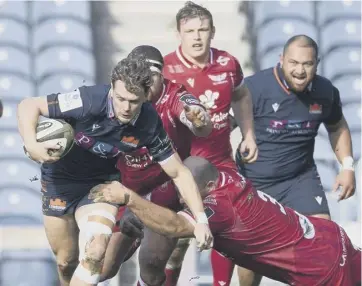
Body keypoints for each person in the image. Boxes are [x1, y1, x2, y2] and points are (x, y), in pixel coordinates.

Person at [17, 55, 212, 286]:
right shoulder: (88, 100)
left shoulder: (149, 122)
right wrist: (31, 143)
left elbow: (179, 172)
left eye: (134, 101)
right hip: (59, 182)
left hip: (100, 186)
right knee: (66, 262)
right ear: (111, 89)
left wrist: (201, 220)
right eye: (120, 99)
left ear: (145, 96)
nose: (126, 108)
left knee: (96, 250)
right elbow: (29, 105)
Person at [90, 156, 361, 286]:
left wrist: (131, 199)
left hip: (324, 272)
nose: (184, 200)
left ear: (207, 185)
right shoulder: (227, 178)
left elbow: (173, 226)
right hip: (329, 236)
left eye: (189, 194)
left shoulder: (219, 208)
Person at [234, 34, 356, 286]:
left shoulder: (324, 91)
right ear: (281, 60)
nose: (300, 70)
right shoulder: (254, 88)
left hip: (299, 178)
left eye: (307, 64)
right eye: (293, 63)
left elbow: (337, 126)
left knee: (325, 242)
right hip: (255, 181)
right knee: (248, 262)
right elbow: (222, 127)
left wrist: (347, 166)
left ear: (317, 63)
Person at [161, 2, 258, 285]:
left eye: (203, 29)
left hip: (220, 163)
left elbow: (241, 96)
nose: (197, 36)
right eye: (189, 31)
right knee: (175, 244)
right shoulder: (167, 68)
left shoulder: (228, 63)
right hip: (179, 166)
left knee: (230, 229)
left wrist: (248, 134)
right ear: (179, 34)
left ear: (212, 31)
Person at [99, 45, 213, 284]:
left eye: (151, 77)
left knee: (151, 265)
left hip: (164, 191)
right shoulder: (120, 100)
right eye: (138, 79)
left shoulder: (174, 95)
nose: (145, 84)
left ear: (162, 75)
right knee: (102, 268)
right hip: (126, 190)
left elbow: (194, 116)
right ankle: (133, 233)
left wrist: (199, 118)